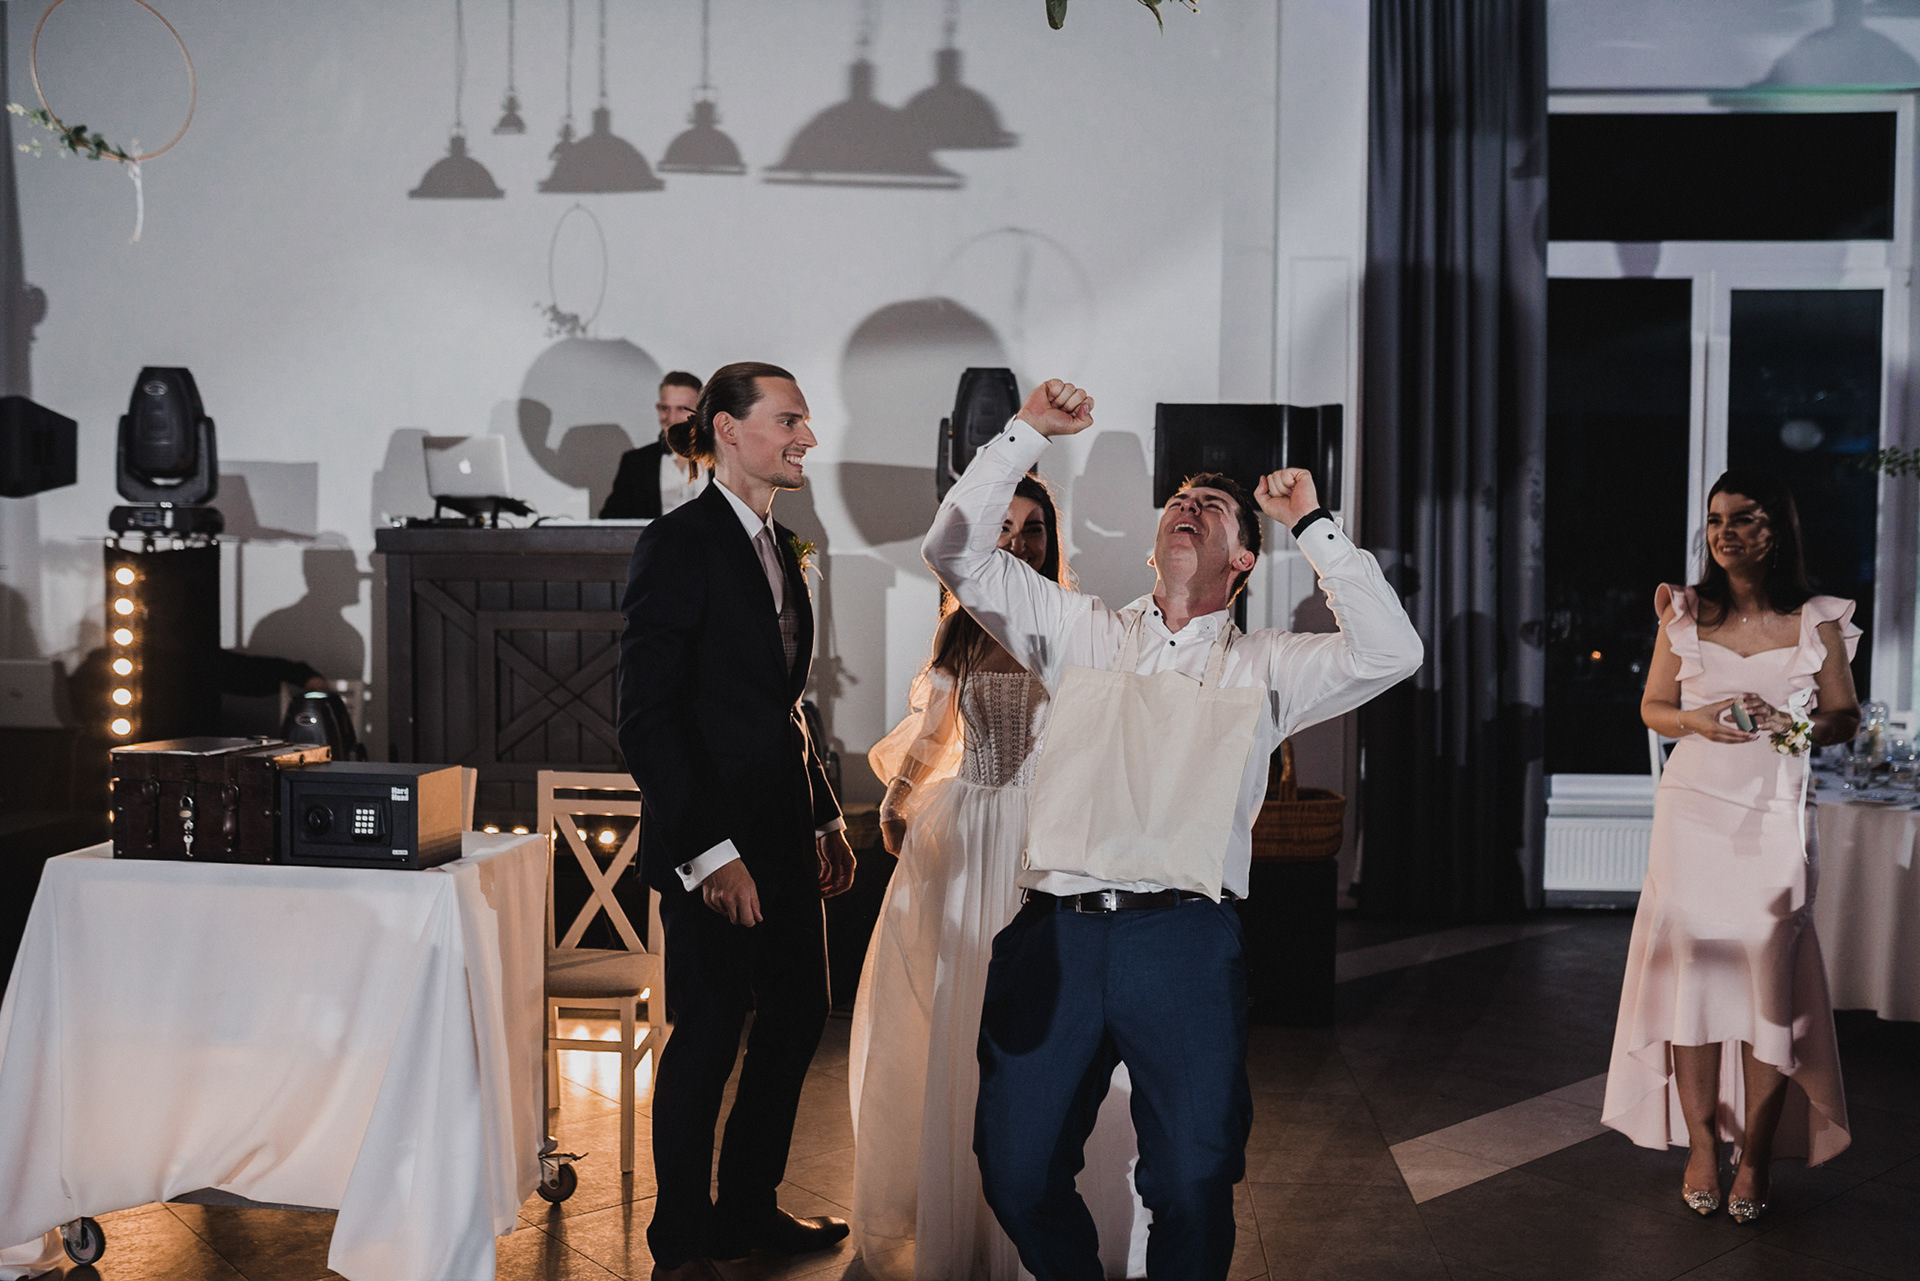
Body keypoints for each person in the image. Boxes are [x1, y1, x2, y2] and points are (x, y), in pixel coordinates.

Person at [924, 379, 1422, 1281]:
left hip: (1184, 941)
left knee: (1193, 1180)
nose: (1188, 506)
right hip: (1057, 932)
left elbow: (1393, 651)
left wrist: (1314, 526)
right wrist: (1025, 431)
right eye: (1180, 501)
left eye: (1214, 507)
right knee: (1015, 1167)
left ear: (1243, 559)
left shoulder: (1266, 666)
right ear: (1156, 544)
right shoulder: (1076, 629)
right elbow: (952, 549)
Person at [850, 475, 1149, 1281]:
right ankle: (968, 1221)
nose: (1018, 541)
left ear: (1053, 539)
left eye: (1033, 527)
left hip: (1043, 841)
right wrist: (896, 798)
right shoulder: (961, 627)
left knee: (1038, 1019)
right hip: (971, 831)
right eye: (1005, 526)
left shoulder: (1073, 621)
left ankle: (1034, 1223)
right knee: (963, 1011)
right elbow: (932, 730)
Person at [618, 361, 858, 1280]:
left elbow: (779, 705)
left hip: (785, 832)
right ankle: (680, 1242)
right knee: (712, 1030)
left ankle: (746, 1210)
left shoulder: (782, 543)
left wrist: (824, 816)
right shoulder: (678, 543)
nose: (806, 437)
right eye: (789, 420)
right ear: (727, 428)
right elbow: (648, 716)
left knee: (798, 1015)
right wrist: (710, 852)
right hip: (712, 843)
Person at [1604, 470, 1858, 1224]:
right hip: (1693, 815)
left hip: (1774, 816)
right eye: (1716, 520)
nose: (1725, 533)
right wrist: (1700, 718)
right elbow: (1654, 707)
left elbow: (1843, 716)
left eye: (1743, 519)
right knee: (1693, 978)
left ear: (1776, 529)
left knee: (1767, 981)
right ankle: (1702, 1148)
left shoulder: (1818, 620)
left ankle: (1756, 1156)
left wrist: (1794, 724)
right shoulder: (1683, 611)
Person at [601, 370, 708, 518]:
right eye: (665, 408)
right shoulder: (635, 463)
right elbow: (611, 522)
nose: (671, 418)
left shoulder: (722, 460)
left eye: (681, 409)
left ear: (701, 411)